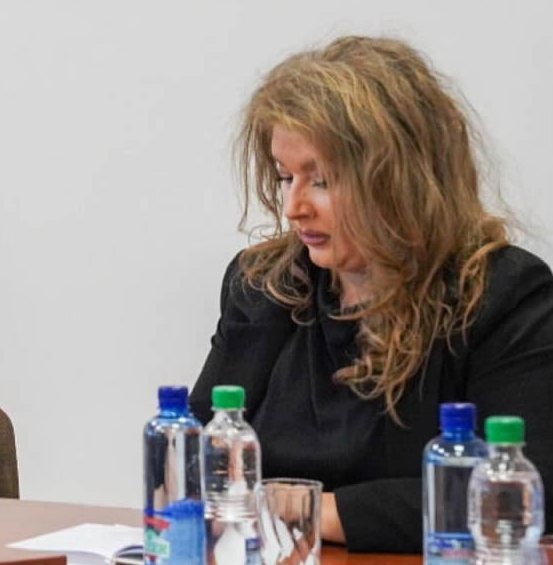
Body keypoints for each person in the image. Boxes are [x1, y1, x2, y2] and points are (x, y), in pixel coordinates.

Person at [192, 37, 553, 552]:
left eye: (322, 181)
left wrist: (305, 509)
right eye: (284, 177)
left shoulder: (501, 294)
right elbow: (201, 457)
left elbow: (522, 489)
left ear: (402, 180)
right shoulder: (262, 283)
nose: (294, 207)